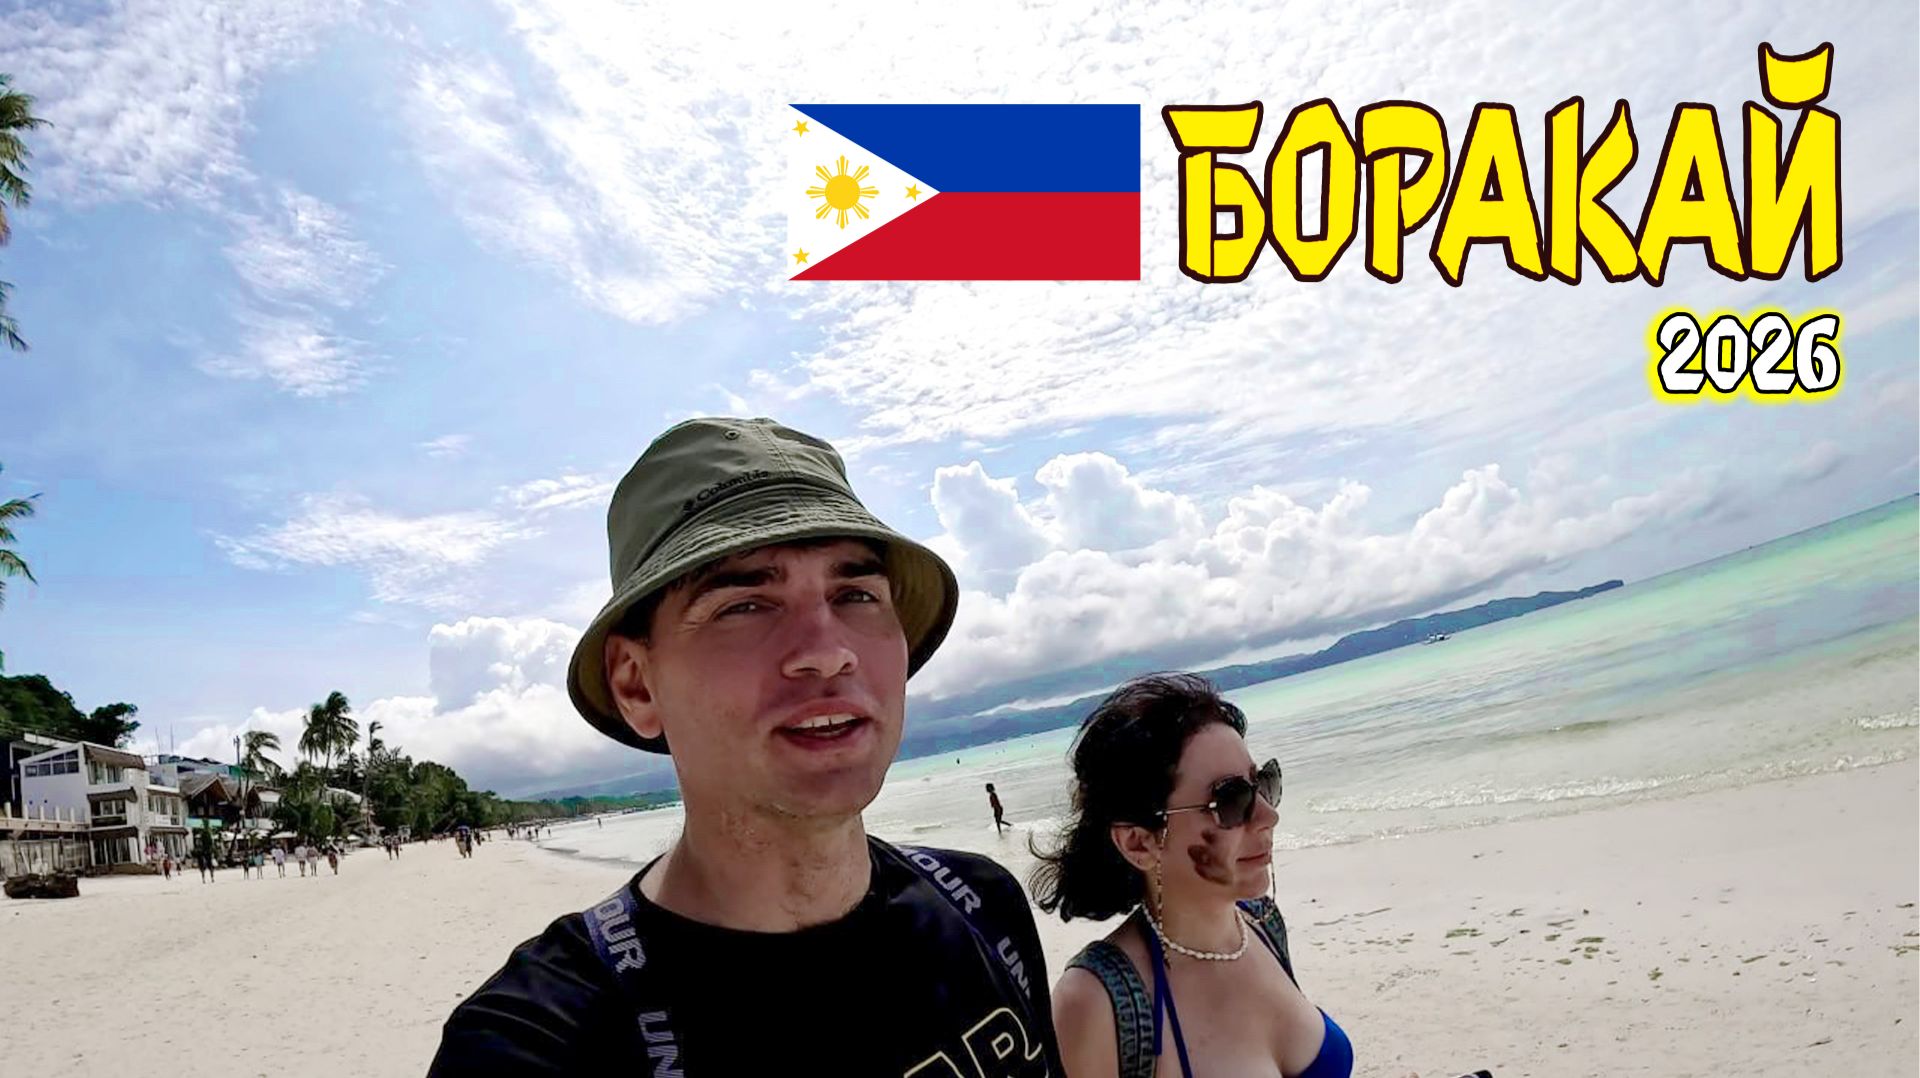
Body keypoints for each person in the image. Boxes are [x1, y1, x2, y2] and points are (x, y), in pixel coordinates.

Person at [429, 417, 1060, 1075]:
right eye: (745, 606)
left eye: (856, 594)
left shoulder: (982, 904)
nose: (827, 652)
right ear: (636, 683)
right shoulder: (541, 1045)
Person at [1031, 673, 1359, 1078]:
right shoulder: (1095, 1002)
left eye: (1263, 783)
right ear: (1138, 843)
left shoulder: (1262, 923)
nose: (1268, 815)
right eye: (1231, 799)